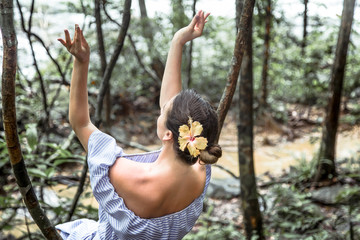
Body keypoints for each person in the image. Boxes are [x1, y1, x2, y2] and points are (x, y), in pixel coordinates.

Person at [56, 10, 222, 240]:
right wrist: (177, 42)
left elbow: (81, 123)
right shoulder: (201, 170)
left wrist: (81, 62)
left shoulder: (124, 175)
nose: (162, 106)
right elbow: (172, 107)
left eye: (163, 110)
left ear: (168, 135)